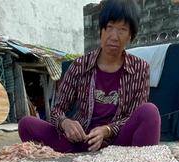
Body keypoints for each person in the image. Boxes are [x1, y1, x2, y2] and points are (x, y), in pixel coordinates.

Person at [18, 0, 161, 153]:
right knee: (26, 124)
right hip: (81, 141)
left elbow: (133, 115)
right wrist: (65, 123)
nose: (114, 36)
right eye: (109, 27)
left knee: (149, 111)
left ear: (131, 36)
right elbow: (57, 110)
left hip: (118, 144)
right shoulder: (80, 65)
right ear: (101, 30)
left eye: (122, 29)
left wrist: (107, 130)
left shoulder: (140, 68)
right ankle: (82, 157)